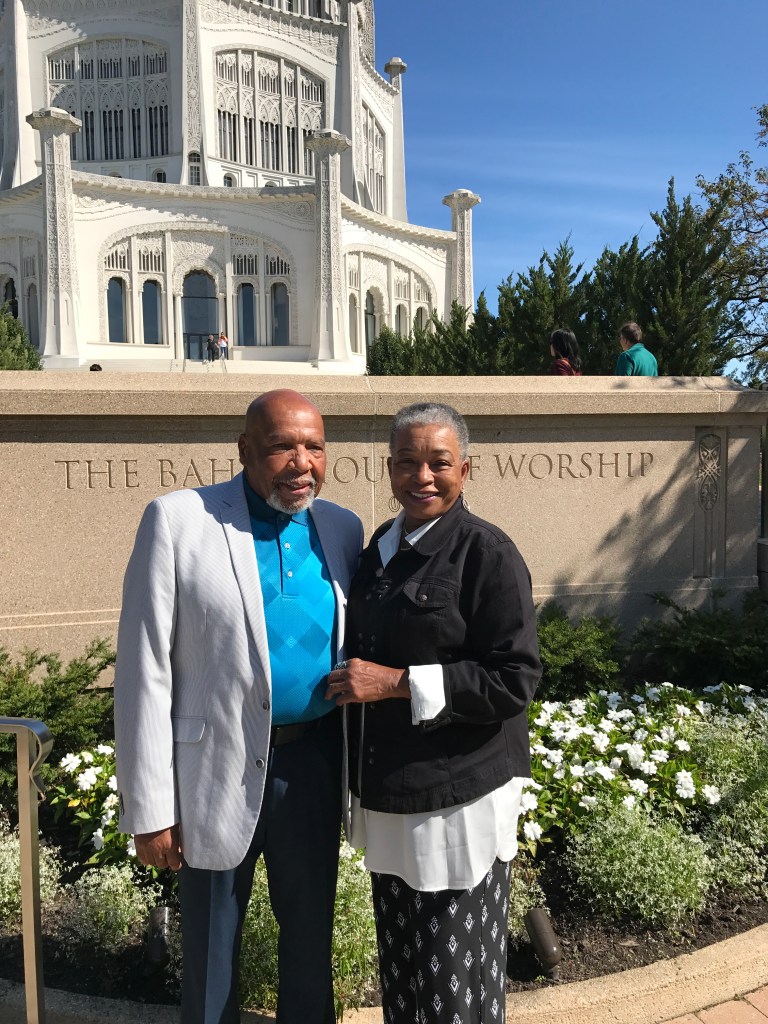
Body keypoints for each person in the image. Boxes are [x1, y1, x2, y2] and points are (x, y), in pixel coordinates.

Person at [114, 389, 363, 1024]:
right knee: (210, 951)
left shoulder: (341, 527)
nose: (301, 461)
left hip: (311, 767)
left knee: (310, 943)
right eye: (283, 446)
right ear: (246, 449)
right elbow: (144, 667)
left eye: (314, 446)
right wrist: (149, 807)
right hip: (213, 771)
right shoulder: (177, 520)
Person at [326, 402, 541, 1024]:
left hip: (456, 803)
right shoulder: (379, 551)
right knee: (406, 974)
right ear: (389, 469)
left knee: (455, 982)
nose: (422, 476)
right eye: (407, 462)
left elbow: (515, 678)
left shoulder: (486, 553)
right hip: (390, 795)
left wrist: (396, 683)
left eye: (439, 463)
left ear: (465, 469)